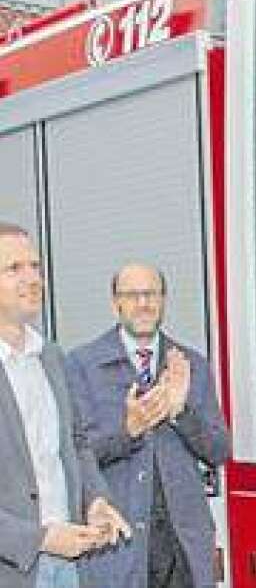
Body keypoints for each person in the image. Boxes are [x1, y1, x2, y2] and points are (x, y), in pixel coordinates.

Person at [66, 263, 230, 588]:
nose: (143, 304)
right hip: (118, 546)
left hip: (182, 546)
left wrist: (180, 412)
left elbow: (218, 450)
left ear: (163, 300)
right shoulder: (81, 366)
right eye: (132, 295)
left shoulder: (190, 364)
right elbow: (73, 456)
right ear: (116, 304)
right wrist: (128, 431)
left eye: (151, 294)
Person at [0, 222, 130, 588]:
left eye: (35, 267)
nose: (32, 278)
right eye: (14, 269)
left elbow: (75, 444)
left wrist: (95, 501)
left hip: (65, 568)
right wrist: (39, 538)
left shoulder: (52, 357)